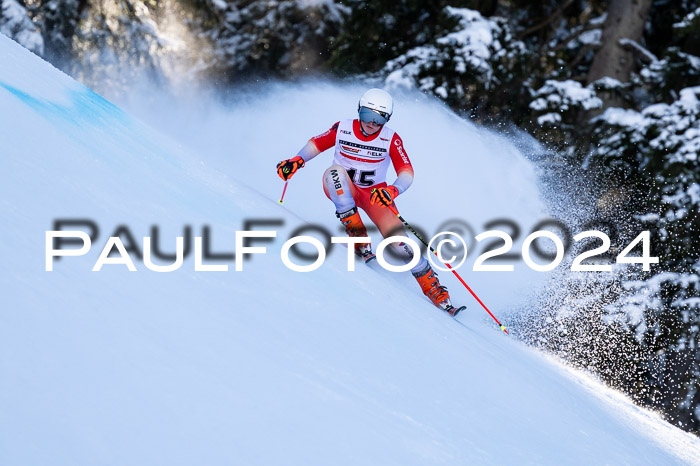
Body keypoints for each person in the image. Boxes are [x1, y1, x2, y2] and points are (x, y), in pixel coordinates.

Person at [276, 88, 462, 315]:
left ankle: (434, 289)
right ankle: (358, 238)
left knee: (398, 243)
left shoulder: (390, 138)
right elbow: (316, 143)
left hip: (376, 194)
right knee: (334, 172)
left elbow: (407, 172)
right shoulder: (343, 128)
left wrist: (393, 191)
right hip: (344, 186)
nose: (372, 123)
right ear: (358, 111)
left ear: (387, 119)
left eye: (379, 118)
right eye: (366, 115)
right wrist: (296, 161)